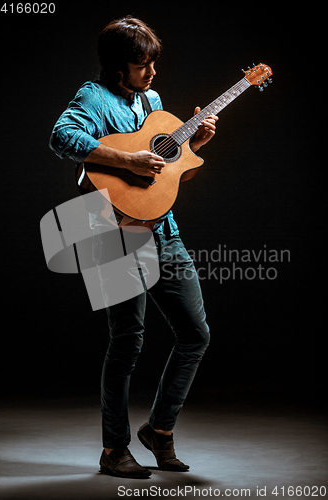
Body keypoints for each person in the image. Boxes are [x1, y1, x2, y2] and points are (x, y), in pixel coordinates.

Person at [49, 16, 218, 479]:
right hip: (109, 227)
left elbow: (162, 173)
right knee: (127, 342)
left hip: (163, 230)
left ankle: (159, 431)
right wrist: (125, 158)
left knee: (196, 334)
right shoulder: (92, 96)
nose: (152, 72)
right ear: (117, 65)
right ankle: (113, 450)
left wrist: (191, 146)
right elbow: (62, 138)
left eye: (152, 63)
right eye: (143, 64)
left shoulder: (154, 101)